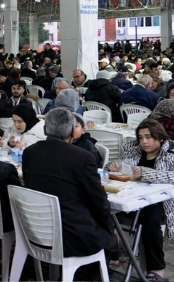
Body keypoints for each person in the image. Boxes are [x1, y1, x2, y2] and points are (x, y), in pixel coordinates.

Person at [23, 108, 119, 265]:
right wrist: (110, 228)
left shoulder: (29, 152)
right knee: (111, 238)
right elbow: (98, 201)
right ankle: (97, 269)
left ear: (45, 128)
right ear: (72, 131)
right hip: (72, 235)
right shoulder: (82, 158)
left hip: (36, 228)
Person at [107, 119, 174, 281]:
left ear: (160, 137)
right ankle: (111, 253)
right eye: (141, 137)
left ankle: (156, 268)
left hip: (167, 204)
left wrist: (147, 173)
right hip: (133, 198)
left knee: (149, 215)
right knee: (102, 207)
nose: (144, 142)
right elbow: (120, 166)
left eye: (148, 137)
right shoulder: (134, 150)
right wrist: (112, 166)